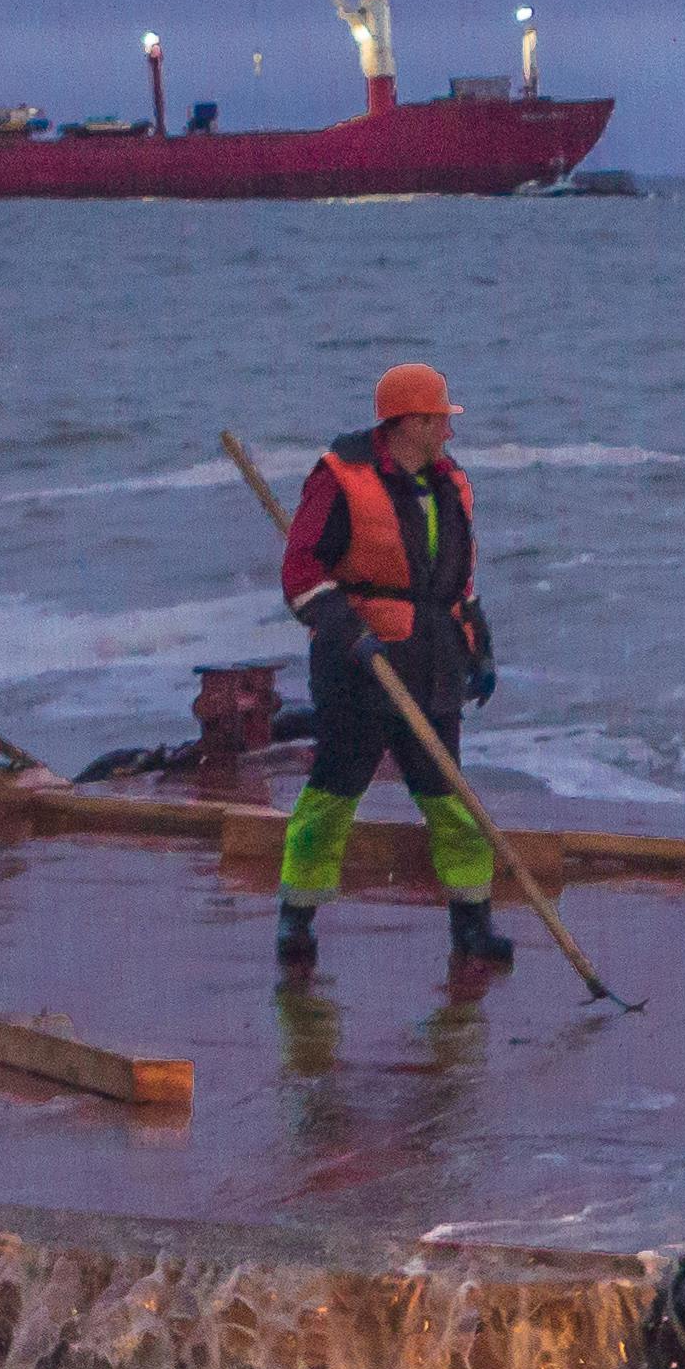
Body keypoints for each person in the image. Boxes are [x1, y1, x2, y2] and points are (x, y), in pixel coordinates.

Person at [275, 362, 508, 970]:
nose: (447, 435)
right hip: (360, 671)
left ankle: (473, 924)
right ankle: (296, 919)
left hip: (433, 662)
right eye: (438, 421)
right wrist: (348, 633)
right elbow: (302, 577)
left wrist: (480, 648)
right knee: (333, 795)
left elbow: (462, 582)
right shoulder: (339, 481)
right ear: (407, 422)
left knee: (449, 799)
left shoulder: (451, 484)